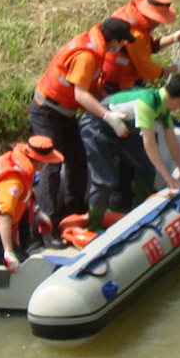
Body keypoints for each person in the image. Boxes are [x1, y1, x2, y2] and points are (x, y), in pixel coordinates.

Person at [29, 16, 136, 237]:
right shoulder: (87, 56)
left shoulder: (96, 46)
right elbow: (80, 93)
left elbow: (91, 87)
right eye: (122, 41)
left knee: (77, 159)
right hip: (47, 111)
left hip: (65, 112)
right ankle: (47, 226)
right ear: (113, 40)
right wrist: (107, 116)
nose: (123, 46)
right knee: (52, 166)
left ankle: (73, 210)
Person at [79, 75, 180, 233]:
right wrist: (167, 177)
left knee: (147, 166)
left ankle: (139, 212)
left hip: (121, 130)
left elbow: (172, 139)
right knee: (105, 181)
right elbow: (149, 144)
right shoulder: (146, 102)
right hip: (96, 126)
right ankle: (93, 227)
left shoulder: (162, 105)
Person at [0, 136, 64, 272]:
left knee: (25, 217)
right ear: (40, 161)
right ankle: (13, 255)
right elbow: (4, 215)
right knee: (23, 264)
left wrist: (37, 213)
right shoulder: (13, 181)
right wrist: (9, 252)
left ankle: (22, 247)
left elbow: (23, 198)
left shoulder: (21, 163)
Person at [102, 0, 180, 95]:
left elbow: (148, 46)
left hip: (108, 76)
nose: (160, 23)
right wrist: (174, 68)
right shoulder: (136, 35)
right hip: (120, 86)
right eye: (159, 19)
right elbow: (147, 72)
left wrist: (174, 38)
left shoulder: (128, 13)